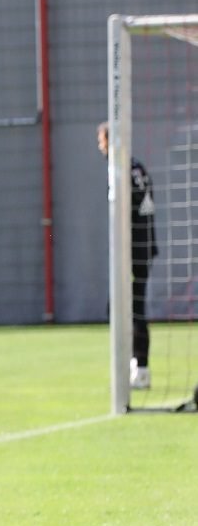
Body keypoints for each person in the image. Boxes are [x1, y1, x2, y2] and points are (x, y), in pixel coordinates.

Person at [98, 122, 158, 390]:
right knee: (126, 307)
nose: (100, 146)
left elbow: (129, 211)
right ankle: (135, 365)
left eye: (101, 141)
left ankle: (137, 367)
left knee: (129, 308)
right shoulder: (138, 167)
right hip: (143, 246)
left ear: (110, 142)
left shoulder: (122, 171)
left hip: (132, 249)